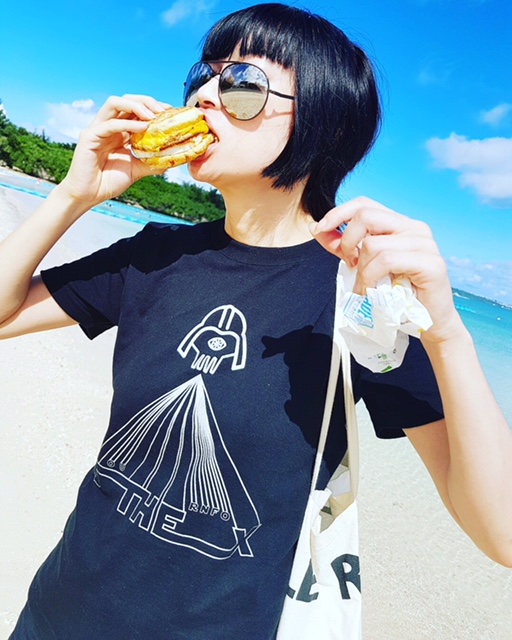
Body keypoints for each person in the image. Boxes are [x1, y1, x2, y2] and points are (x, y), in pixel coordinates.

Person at [1, 3, 511, 638]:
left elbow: (500, 534)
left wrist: (447, 332)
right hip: (54, 615)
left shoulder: (360, 297)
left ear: (324, 125)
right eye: (204, 75)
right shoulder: (156, 255)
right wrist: (74, 194)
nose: (207, 95)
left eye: (243, 83)